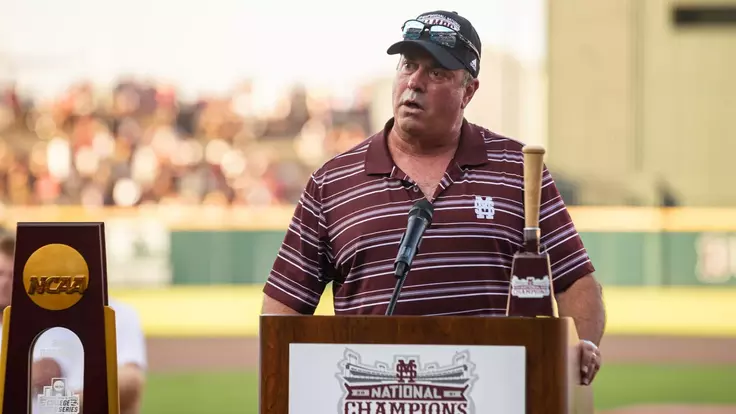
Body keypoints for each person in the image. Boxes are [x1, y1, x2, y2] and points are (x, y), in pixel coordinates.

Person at [261, 10, 606, 386]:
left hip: (494, 396)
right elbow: (285, 307)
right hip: (372, 397)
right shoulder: (333, 181)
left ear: (469, 91)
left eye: (437, 73)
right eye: (408, 65)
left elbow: (576, 282)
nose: (415, 82)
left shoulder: (519, 169)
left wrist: (582, 344)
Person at [0, 233, 147, 414]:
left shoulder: (115, 312)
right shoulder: (15, 320)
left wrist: (67, 405)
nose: (5, 283)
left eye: (12, 275)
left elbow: (130, 381)